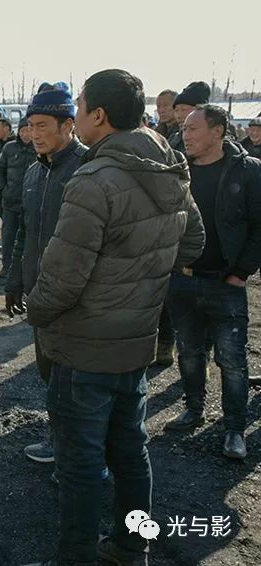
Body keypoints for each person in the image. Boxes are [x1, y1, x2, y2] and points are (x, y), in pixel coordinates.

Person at [25, 68, 204, 566]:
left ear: (98, 116)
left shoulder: (94, 179)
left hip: (83, 348)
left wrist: (36, 315)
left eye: (79, 108)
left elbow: (62, 280)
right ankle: (131, 546)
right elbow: (194, 243)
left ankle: (76, 557)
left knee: (79, 465)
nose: (77, 116)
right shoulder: (169, 165)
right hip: (137, 342)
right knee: (130, 454)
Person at [164, 104, 261, 461]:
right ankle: (193, 409)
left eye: (193, 128)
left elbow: (259, 226)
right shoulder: (178, 171)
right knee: (189, 353)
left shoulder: (248, 171)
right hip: (183, 280)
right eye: (184, 129)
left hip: (225, 283)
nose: (185, 134)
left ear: (218, 131)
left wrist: (241, 272)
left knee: (233, 361)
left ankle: (234, 428)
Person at [5, 81, 87, 465]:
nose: (34, 134)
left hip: (78, 298)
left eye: (43, 126)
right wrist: (16, 279)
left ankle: (78, 455)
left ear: (68, 125)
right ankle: (60, 440)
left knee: (75, 382)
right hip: (41, 293)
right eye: (31, 125)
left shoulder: (87, 168)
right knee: (49, 374)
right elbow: (24, 229)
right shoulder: (36, 172)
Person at [0, 117, 35, 278]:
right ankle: (7, 267)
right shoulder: (10, 148)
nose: (25, 134)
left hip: (31, 203)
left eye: (28, 130)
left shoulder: (39, 149)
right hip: (10, 201)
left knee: (30, 238)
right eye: (22, 130)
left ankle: (26, 269)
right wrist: (3, 190)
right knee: (8, 237)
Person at [169, 81, 211, 153]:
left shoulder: (217, 140)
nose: (178, 116)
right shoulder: (173, 140)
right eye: (176, 110)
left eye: (183, 109)